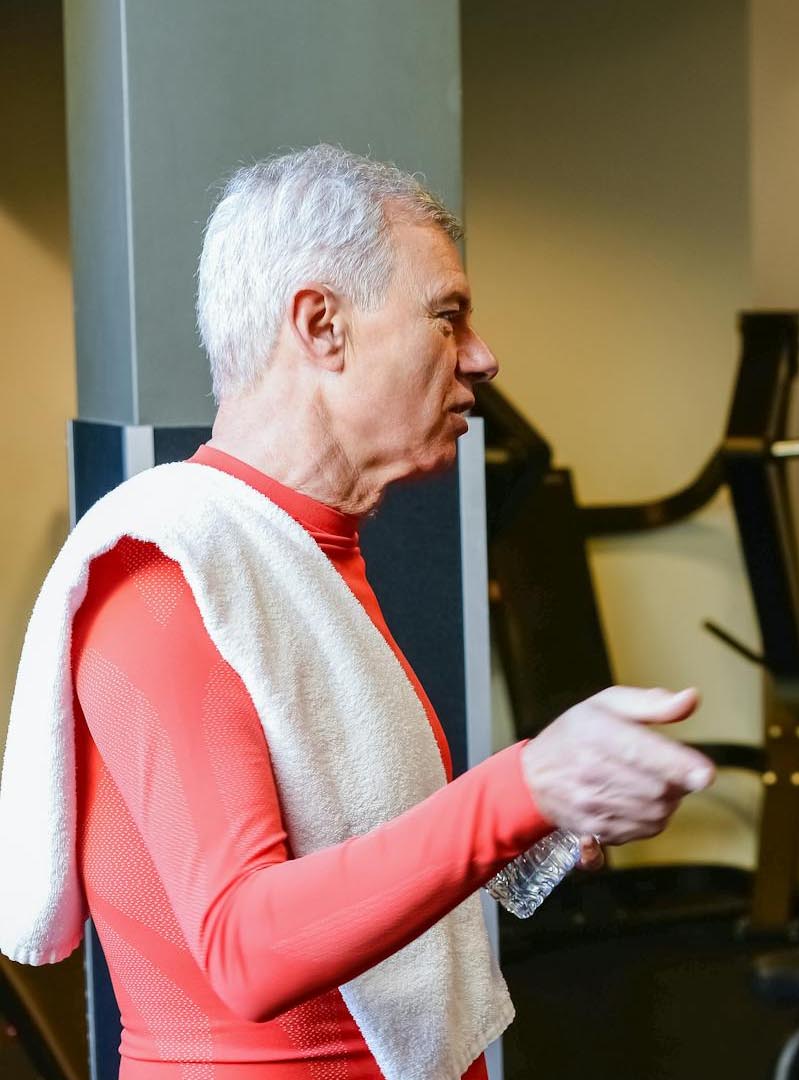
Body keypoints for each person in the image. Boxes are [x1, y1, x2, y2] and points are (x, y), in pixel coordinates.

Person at [0, 145, 714, 1079]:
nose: (483, 356)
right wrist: (524, 788)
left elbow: (350, 849)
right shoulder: (167, 572)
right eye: (448, 317)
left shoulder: (302, 552)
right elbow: (245, 949)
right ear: (322, 326)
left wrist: (555, 808)